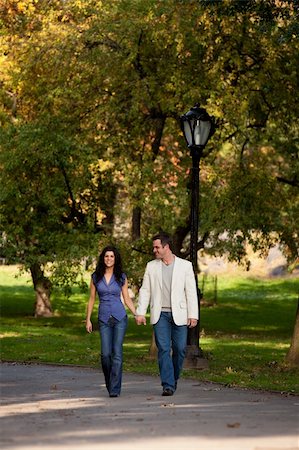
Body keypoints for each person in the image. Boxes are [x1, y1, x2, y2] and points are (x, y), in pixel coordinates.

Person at [135, 232, 198, 396]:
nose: (154, 250)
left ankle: (173, 378)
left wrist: (193, 314)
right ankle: (168, 385)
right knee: (163, 349)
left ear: (166, 247)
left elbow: (191, 292)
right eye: (154, 247)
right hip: (160, 314)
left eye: (157, 247)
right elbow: (145, 290)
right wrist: (140, 312)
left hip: (180, 314)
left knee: (180, 349)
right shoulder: (151, 266)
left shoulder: (185, 266)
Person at [86, 245, 136, 398]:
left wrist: (136, 313)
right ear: (103, 258)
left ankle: (115, 389)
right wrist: (88, 319)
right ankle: (109, 381)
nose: (109, 259)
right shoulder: (96, 277)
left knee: (117, 354)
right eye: (106, 256)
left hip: (120, 317)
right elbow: (92, 299)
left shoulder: (121, 276)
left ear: (115, 259)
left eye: (112, 256)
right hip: (104, 319)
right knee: (106, 354)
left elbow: (126, 298)